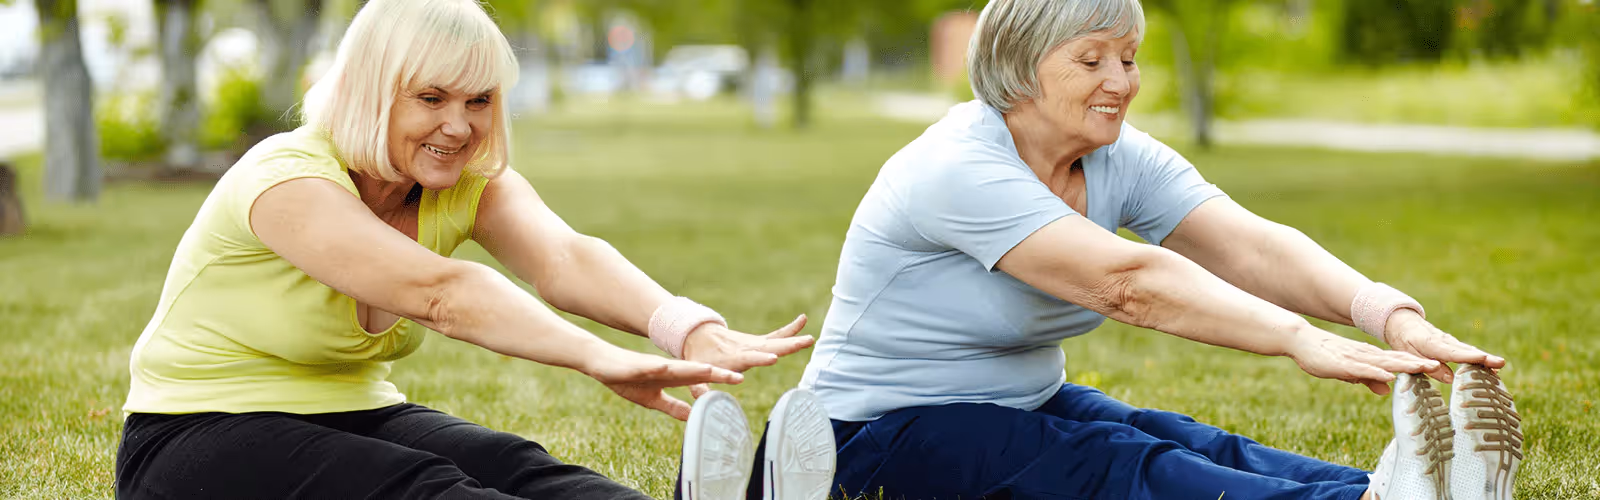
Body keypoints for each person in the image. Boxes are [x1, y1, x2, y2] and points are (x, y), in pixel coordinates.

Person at [769, 1, 1523, 499]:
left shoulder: (1116, 154)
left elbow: (1249, 246)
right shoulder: (956, 166)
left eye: (1128, 58)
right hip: (865, 440)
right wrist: (1297, 337)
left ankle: (1390, 490)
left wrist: (1388, 316)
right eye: (1092, 59)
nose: (1121, 82)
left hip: (1016, 403)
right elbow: (1126, 283)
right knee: (1110, 465)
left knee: (1177, 439)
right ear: (1019, 67)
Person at [114, 1, 829, 498]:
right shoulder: (286, 180)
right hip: (194, 437)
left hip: (354, 412)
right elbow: (443, 294)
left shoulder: (464, 181)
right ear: (371, 92)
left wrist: (684, 326)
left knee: (523, 470)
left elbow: (564, 257)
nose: (459, 126)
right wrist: (596, 356)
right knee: (428, 490)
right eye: (432, 98)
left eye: (478, 101)